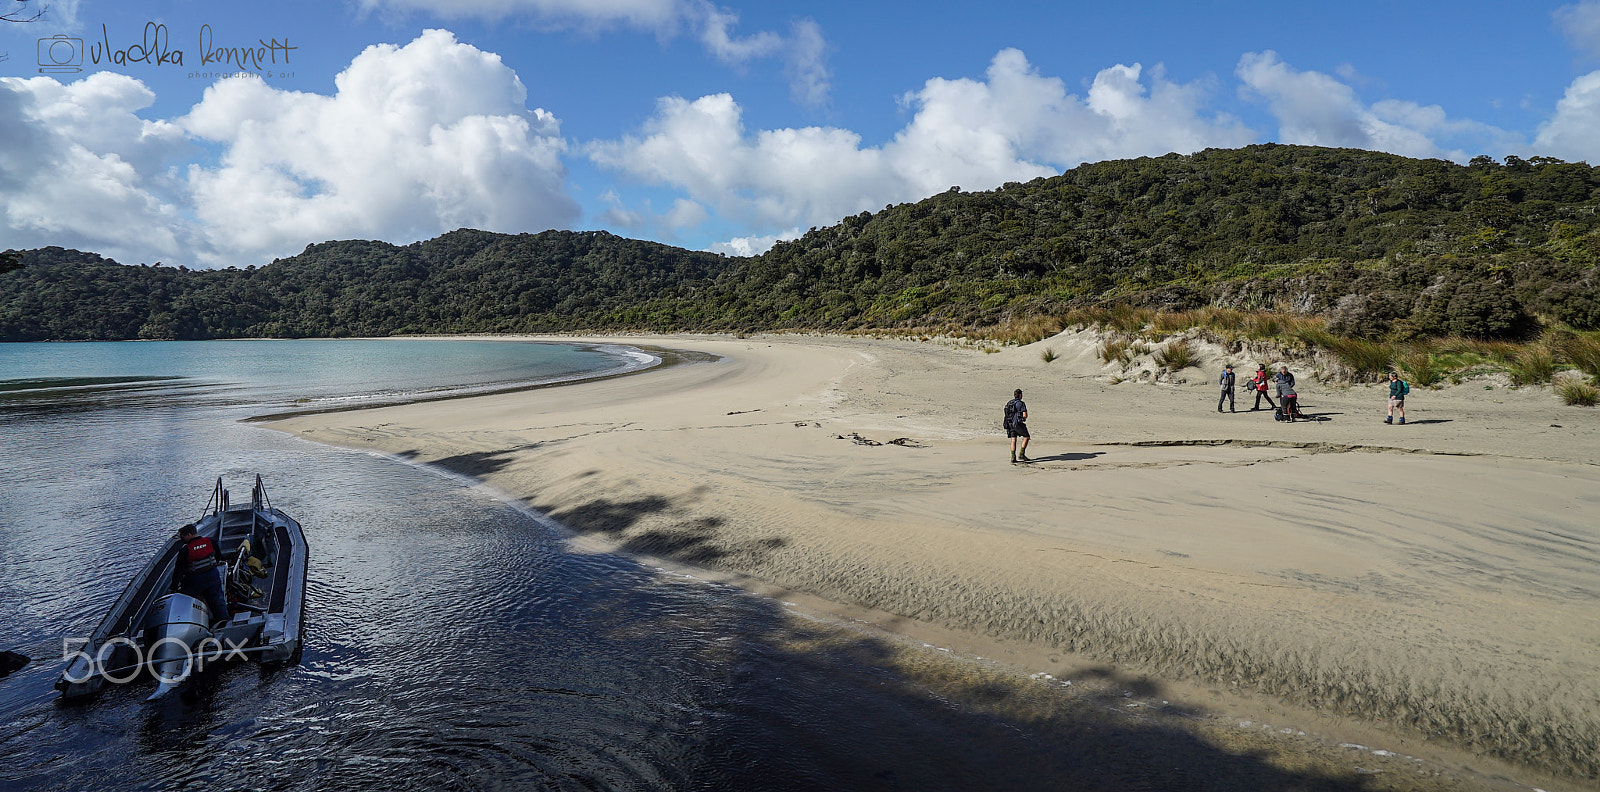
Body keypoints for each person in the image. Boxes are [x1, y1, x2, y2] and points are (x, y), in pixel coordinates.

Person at [175, 523, 230, 624]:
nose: (182, 539)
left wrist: (174, 586)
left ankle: (194, 622)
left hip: (194, 580)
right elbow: (218, 556)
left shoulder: (185, 550)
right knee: (217, 600)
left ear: (189, 535)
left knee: (188, 601)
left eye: (182, 536)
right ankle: (223, 622)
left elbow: (178, 570)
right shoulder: (211, 542)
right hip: (212, 576)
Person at [1005, 388, 1030, 463]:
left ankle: (1013, 457)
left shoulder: (1009, 403)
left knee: (1013, 439)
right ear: (1020, 395)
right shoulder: (1021, 403)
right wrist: (1024, 419)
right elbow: (1024, 415)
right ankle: (1021, 454)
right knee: (1026, 437)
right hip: (1017, 423)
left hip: (1009, 423)